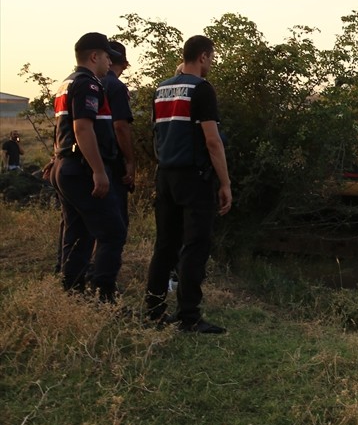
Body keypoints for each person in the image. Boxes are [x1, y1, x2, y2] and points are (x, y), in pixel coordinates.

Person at [144, 35, 232, 334]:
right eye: (212, 58)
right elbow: (212, 140)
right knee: (196, 245)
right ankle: (189, 317)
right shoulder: (202, 89)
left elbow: (157, 132)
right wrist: (226, 183)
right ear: (204, 56)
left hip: (165, 175)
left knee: (165, 245)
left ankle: (154, 311)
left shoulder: (161, 88)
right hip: (194, 177)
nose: (211, 64)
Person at [51, 32, 127, 302]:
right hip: (82, 167)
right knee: (113, 232)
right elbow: (82, 128)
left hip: (65, 164)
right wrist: (98, 170)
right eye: (107, 56)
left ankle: (72, 294)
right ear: (94, 56)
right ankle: (104, 297)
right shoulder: (88, 84)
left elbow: (62, 128)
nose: (110, 62)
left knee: (78, 233)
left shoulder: (66, 83)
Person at [103, 41, 136, 229]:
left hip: (88, 161)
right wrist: (130, 161)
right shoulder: (116, 86)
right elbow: (120, 126)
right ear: (124, 64)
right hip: (112, 161)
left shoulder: (88, 82)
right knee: (115, 226)